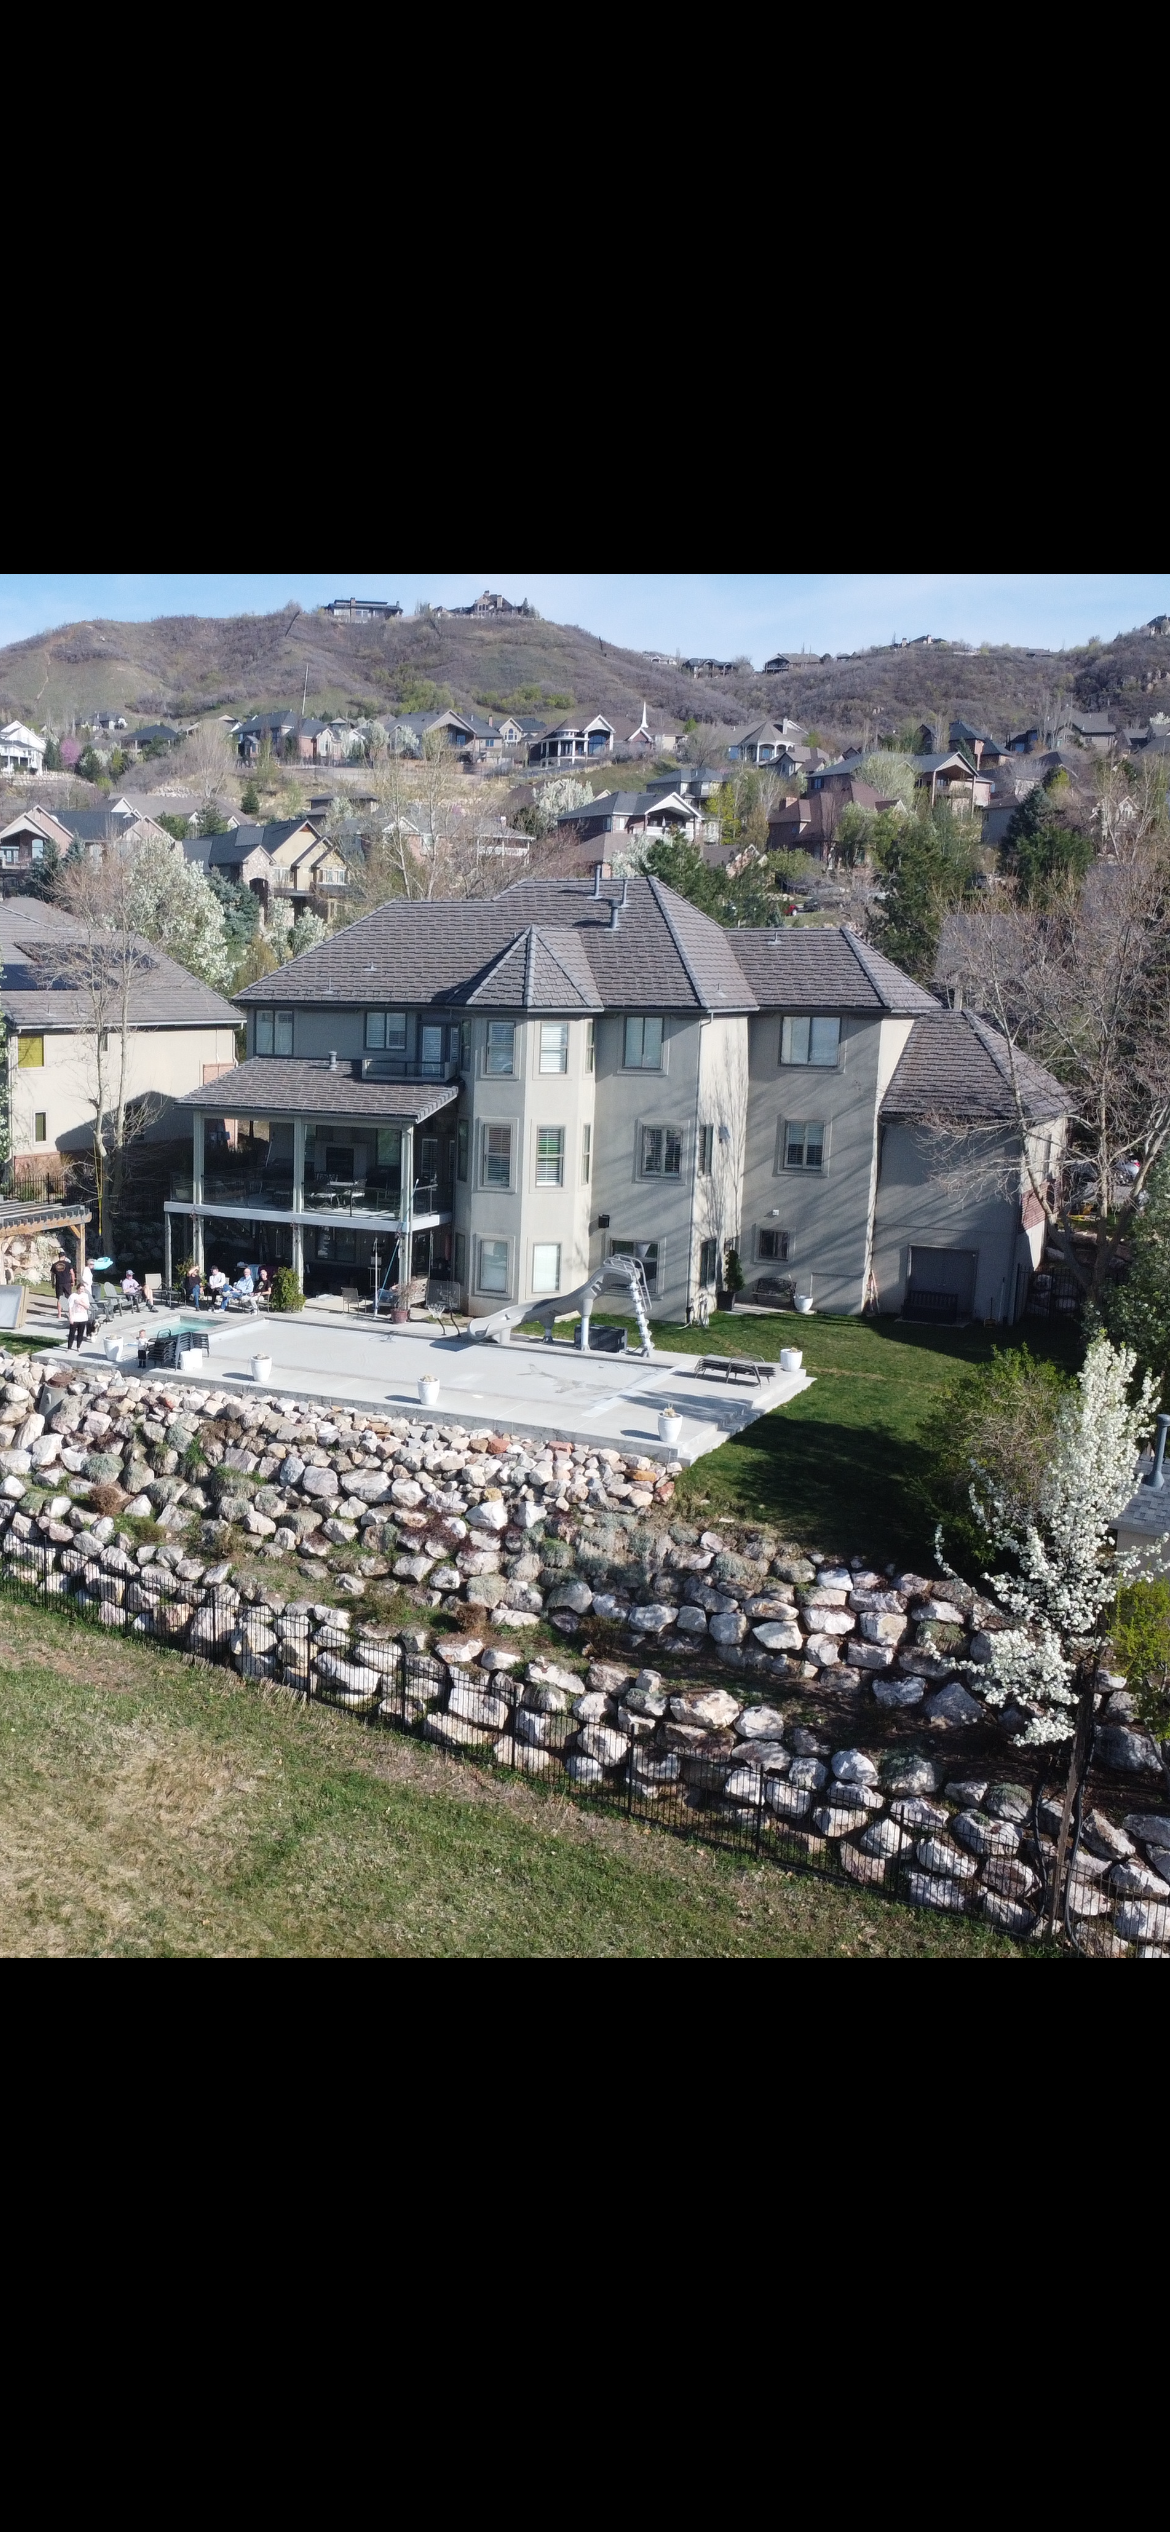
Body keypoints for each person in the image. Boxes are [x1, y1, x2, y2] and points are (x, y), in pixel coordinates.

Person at [66, 1285, 90, 1352]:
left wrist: (80, 1303)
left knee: (80, 1333)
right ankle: (69, 1347)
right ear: (77, 1289)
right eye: (81, 1289)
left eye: (83, 1289)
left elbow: (87, 1307)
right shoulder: (73, 1296)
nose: (82, 1290)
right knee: (72, 1333)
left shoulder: (85, 1296)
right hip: (75, 1317)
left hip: (83, 1318)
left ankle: (78, 1347)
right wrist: (70, 1317)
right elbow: (70, 1307)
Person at [51, 1254, 75, 1320]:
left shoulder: (54, 1265)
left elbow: (52, 1275)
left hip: (59, 1283)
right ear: (64, 1257)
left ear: (59, 1256)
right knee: (69, 1298)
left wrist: (52, 1283)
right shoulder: (68, 1264)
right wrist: (73, 1281)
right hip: (67, 1283)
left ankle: (59, 1314)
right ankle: (70, 1313)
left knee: (59, 1298)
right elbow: (72, 1273)